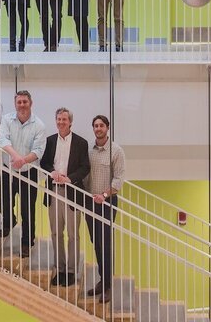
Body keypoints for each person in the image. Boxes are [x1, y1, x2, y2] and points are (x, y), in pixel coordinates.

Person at [39, 108, 90, 287]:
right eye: (58, 119)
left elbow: (85, 167)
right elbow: (44, 162)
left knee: (73, 235)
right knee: (55, 232)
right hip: (53, 191)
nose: (61, 122)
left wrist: (70, 178)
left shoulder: (81, 143)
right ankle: (59, 269)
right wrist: (52, 172)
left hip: (72, 192)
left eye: (64, 119)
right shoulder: (50, 141)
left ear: (70, 122)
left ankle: (71, 271)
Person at [0, 90, 46, 257]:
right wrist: (16, 157)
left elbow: (38, 150)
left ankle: (27, 242)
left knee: (27, 210)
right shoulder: (6, 119)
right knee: (3, 202)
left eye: (25, 102)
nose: (22, 105)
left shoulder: (39, 125)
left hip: (28, 172)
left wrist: (23, 160)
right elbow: (2, 140)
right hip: (8, 168)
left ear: (30, 103)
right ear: (15, 104)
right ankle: (8, 222)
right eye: (19, 102)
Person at [85, 114, 125, 303]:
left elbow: (118, 180)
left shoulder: (116, 151)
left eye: (101, 125)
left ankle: (108, 286)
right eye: (95, 126)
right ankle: (102, 279)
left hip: (107, 203)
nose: (98, 128)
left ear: (107, 128)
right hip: (90, 202)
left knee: (106, 243)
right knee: (96, 243)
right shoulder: (89, 151)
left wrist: (105, 195)